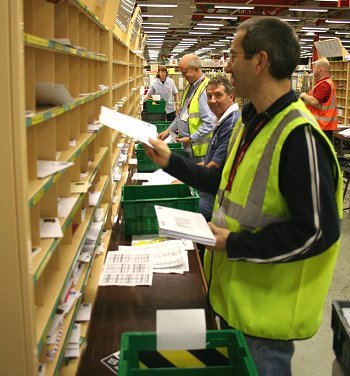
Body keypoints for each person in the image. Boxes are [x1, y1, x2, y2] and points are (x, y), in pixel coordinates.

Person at [144, 17, 343, 376]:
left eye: (233, 56)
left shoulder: (299, 136)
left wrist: (233, 243)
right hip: (236, 296)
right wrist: (172, 161)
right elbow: (222, 179)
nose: (225, 65)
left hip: (265, 317)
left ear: (260, 61)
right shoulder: (253, 122)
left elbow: (316, 232)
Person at [158, 54, 215, 161]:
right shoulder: (189, 87)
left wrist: (190, 139)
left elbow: (210, 123)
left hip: (199, 152)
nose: (184, 76)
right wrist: (168, 130)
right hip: (188, 148)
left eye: (185, 73)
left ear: (196, 69)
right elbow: (181, 115)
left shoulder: (206, 89)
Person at [198, 75, 240, 221]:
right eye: (209, 96)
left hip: (215, 197)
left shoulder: (231, 124)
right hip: (210, 190)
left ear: (231, 96)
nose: (212, 100)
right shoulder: (222, 121)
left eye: (218, 95)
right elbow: (209, 160)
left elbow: (214, 167)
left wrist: (186, 175)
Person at [300, 58, 338, 141]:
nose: (313, 69)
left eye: (315, 67)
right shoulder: (323, 83)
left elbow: (313, 101)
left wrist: (303, 95)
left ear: (320, 69)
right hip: (321, 126)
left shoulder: (324, 85)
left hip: (321, 127)